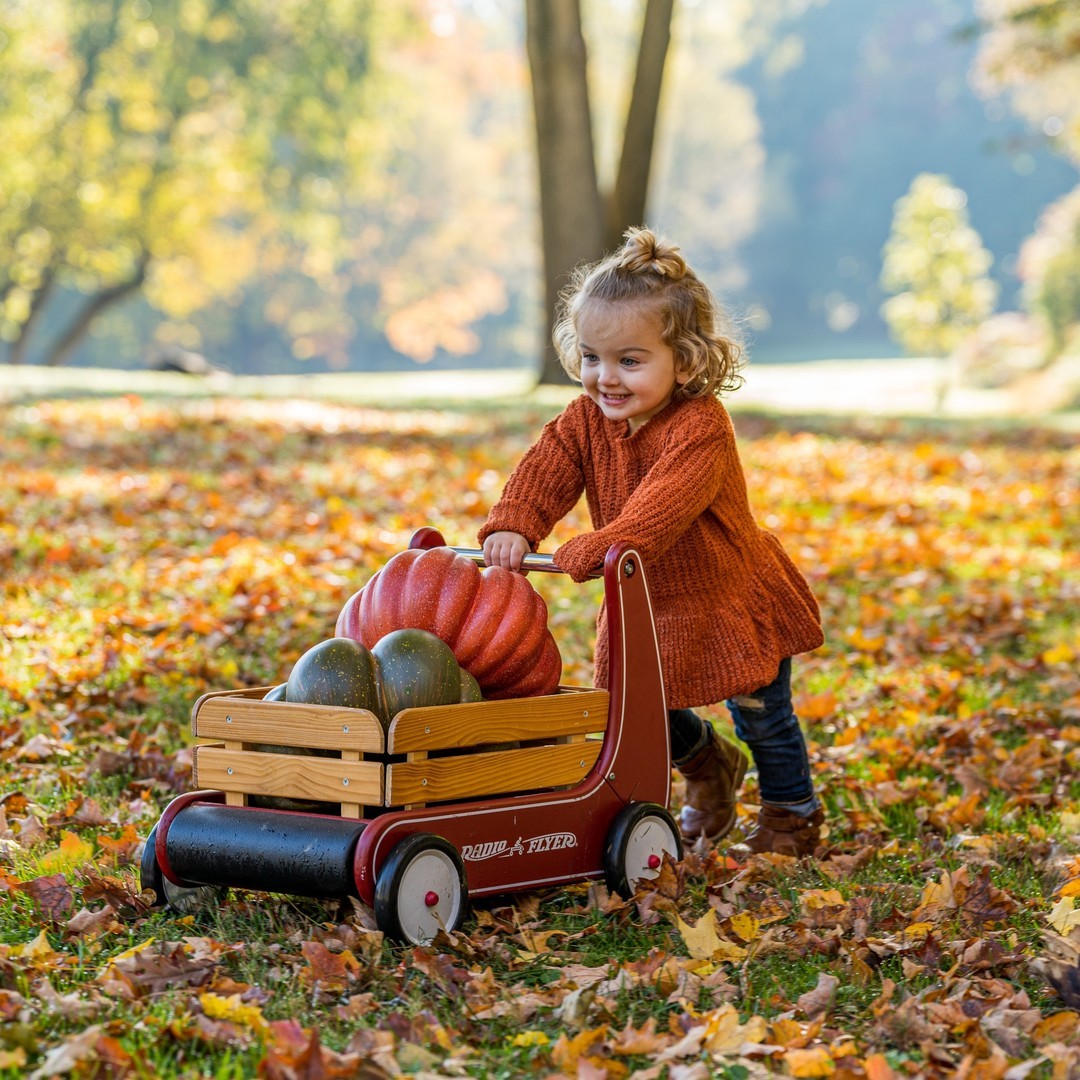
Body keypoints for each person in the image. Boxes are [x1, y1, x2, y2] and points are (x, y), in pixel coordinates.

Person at [479, 227, 826, 857]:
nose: (605, 378)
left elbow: (658, 511)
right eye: (591, 357)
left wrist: (601, 544)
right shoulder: (584, 419)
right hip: (643, 598)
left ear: (685, 361)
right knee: (636, 712)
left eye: (629, 361)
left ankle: (791, 814)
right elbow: (546, 470)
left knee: (762, 714)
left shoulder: (701, 427)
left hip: (727, 593)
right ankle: (708, 767)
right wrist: (514, 524)